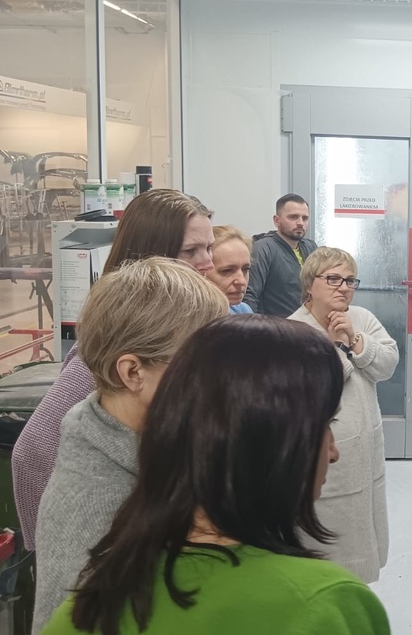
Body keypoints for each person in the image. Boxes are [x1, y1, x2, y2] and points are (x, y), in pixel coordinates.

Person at [41, 316, 391, 635]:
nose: (333, 451)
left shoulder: (82, 610)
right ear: (269, 441)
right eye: (325, 425)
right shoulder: (327, 605)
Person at [13, 189, 216, 550]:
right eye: (191, 251)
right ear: (151, 255)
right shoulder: (118, 344)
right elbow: (33, 451)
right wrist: (49, 546)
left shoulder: (179, 327)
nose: (207, 264)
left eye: (209, 248)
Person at [32, 258, 229, 632]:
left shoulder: (143, 440)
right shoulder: (98, 511)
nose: (222, 378)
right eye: (203, 363)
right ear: (133, 372)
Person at [288, 247, 398, 583]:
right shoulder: (293, 330)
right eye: (333, 279)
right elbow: (315, 390)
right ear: (310, 285)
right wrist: (336, 347)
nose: (344, 287)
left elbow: (388, 365)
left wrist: (356, 339)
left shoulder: (361, 318)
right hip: (324, 456)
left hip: (366, 450)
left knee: (365, 522)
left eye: (350, 280)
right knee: (332, 532)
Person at [243, 194, 317, 316]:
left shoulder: (311, 247)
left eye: (305, 218)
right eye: (293, 217)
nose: (300, 223)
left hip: (309, 322)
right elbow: (250, 296)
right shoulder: (263, 248)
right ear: (277, 221)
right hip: (277, 325)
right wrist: (252, 325)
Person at [209, 225, 254, 314]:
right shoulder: (188, 318)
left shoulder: (243, 310)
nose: (242, 281)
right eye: (227, 271)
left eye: (245, 269)